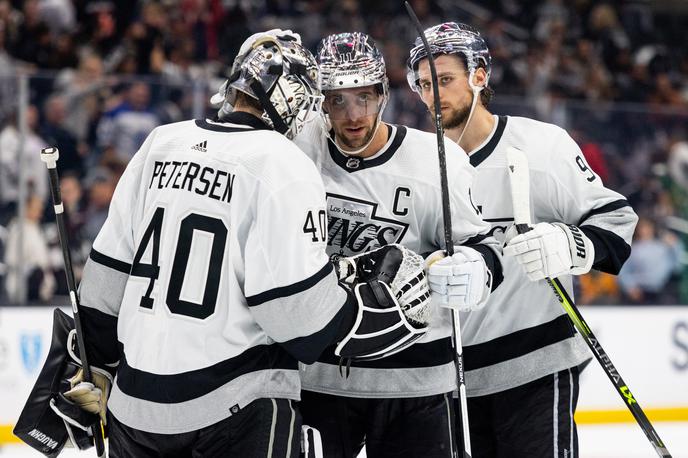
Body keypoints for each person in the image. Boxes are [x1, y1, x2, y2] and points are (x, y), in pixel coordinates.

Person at [52, 30, 431, 457]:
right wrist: (365, 307)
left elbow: (105, 278)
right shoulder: (283, 163)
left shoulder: (162, 142)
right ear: (296, 101)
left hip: (135, 409)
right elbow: (297, 321)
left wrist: (97, 361)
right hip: (232, 409)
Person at [407, 22, 639, 457]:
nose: (432, 95)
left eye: (444, 80)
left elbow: (617, 219)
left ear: (479, 76)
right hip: (453, 375)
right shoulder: (418, 163)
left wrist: (571, 245)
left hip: (536, 364)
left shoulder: (540, 145)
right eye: (423, 84)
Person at [294, 32, 503, 458]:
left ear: (383, 94)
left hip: (417, 381)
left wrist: (475, 269)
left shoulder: (436, 159)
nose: (353, 115)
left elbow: (484, 244)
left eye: (364, 98)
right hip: (318, 377)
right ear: (321, 101)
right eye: (338, 100)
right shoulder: (297, 151)